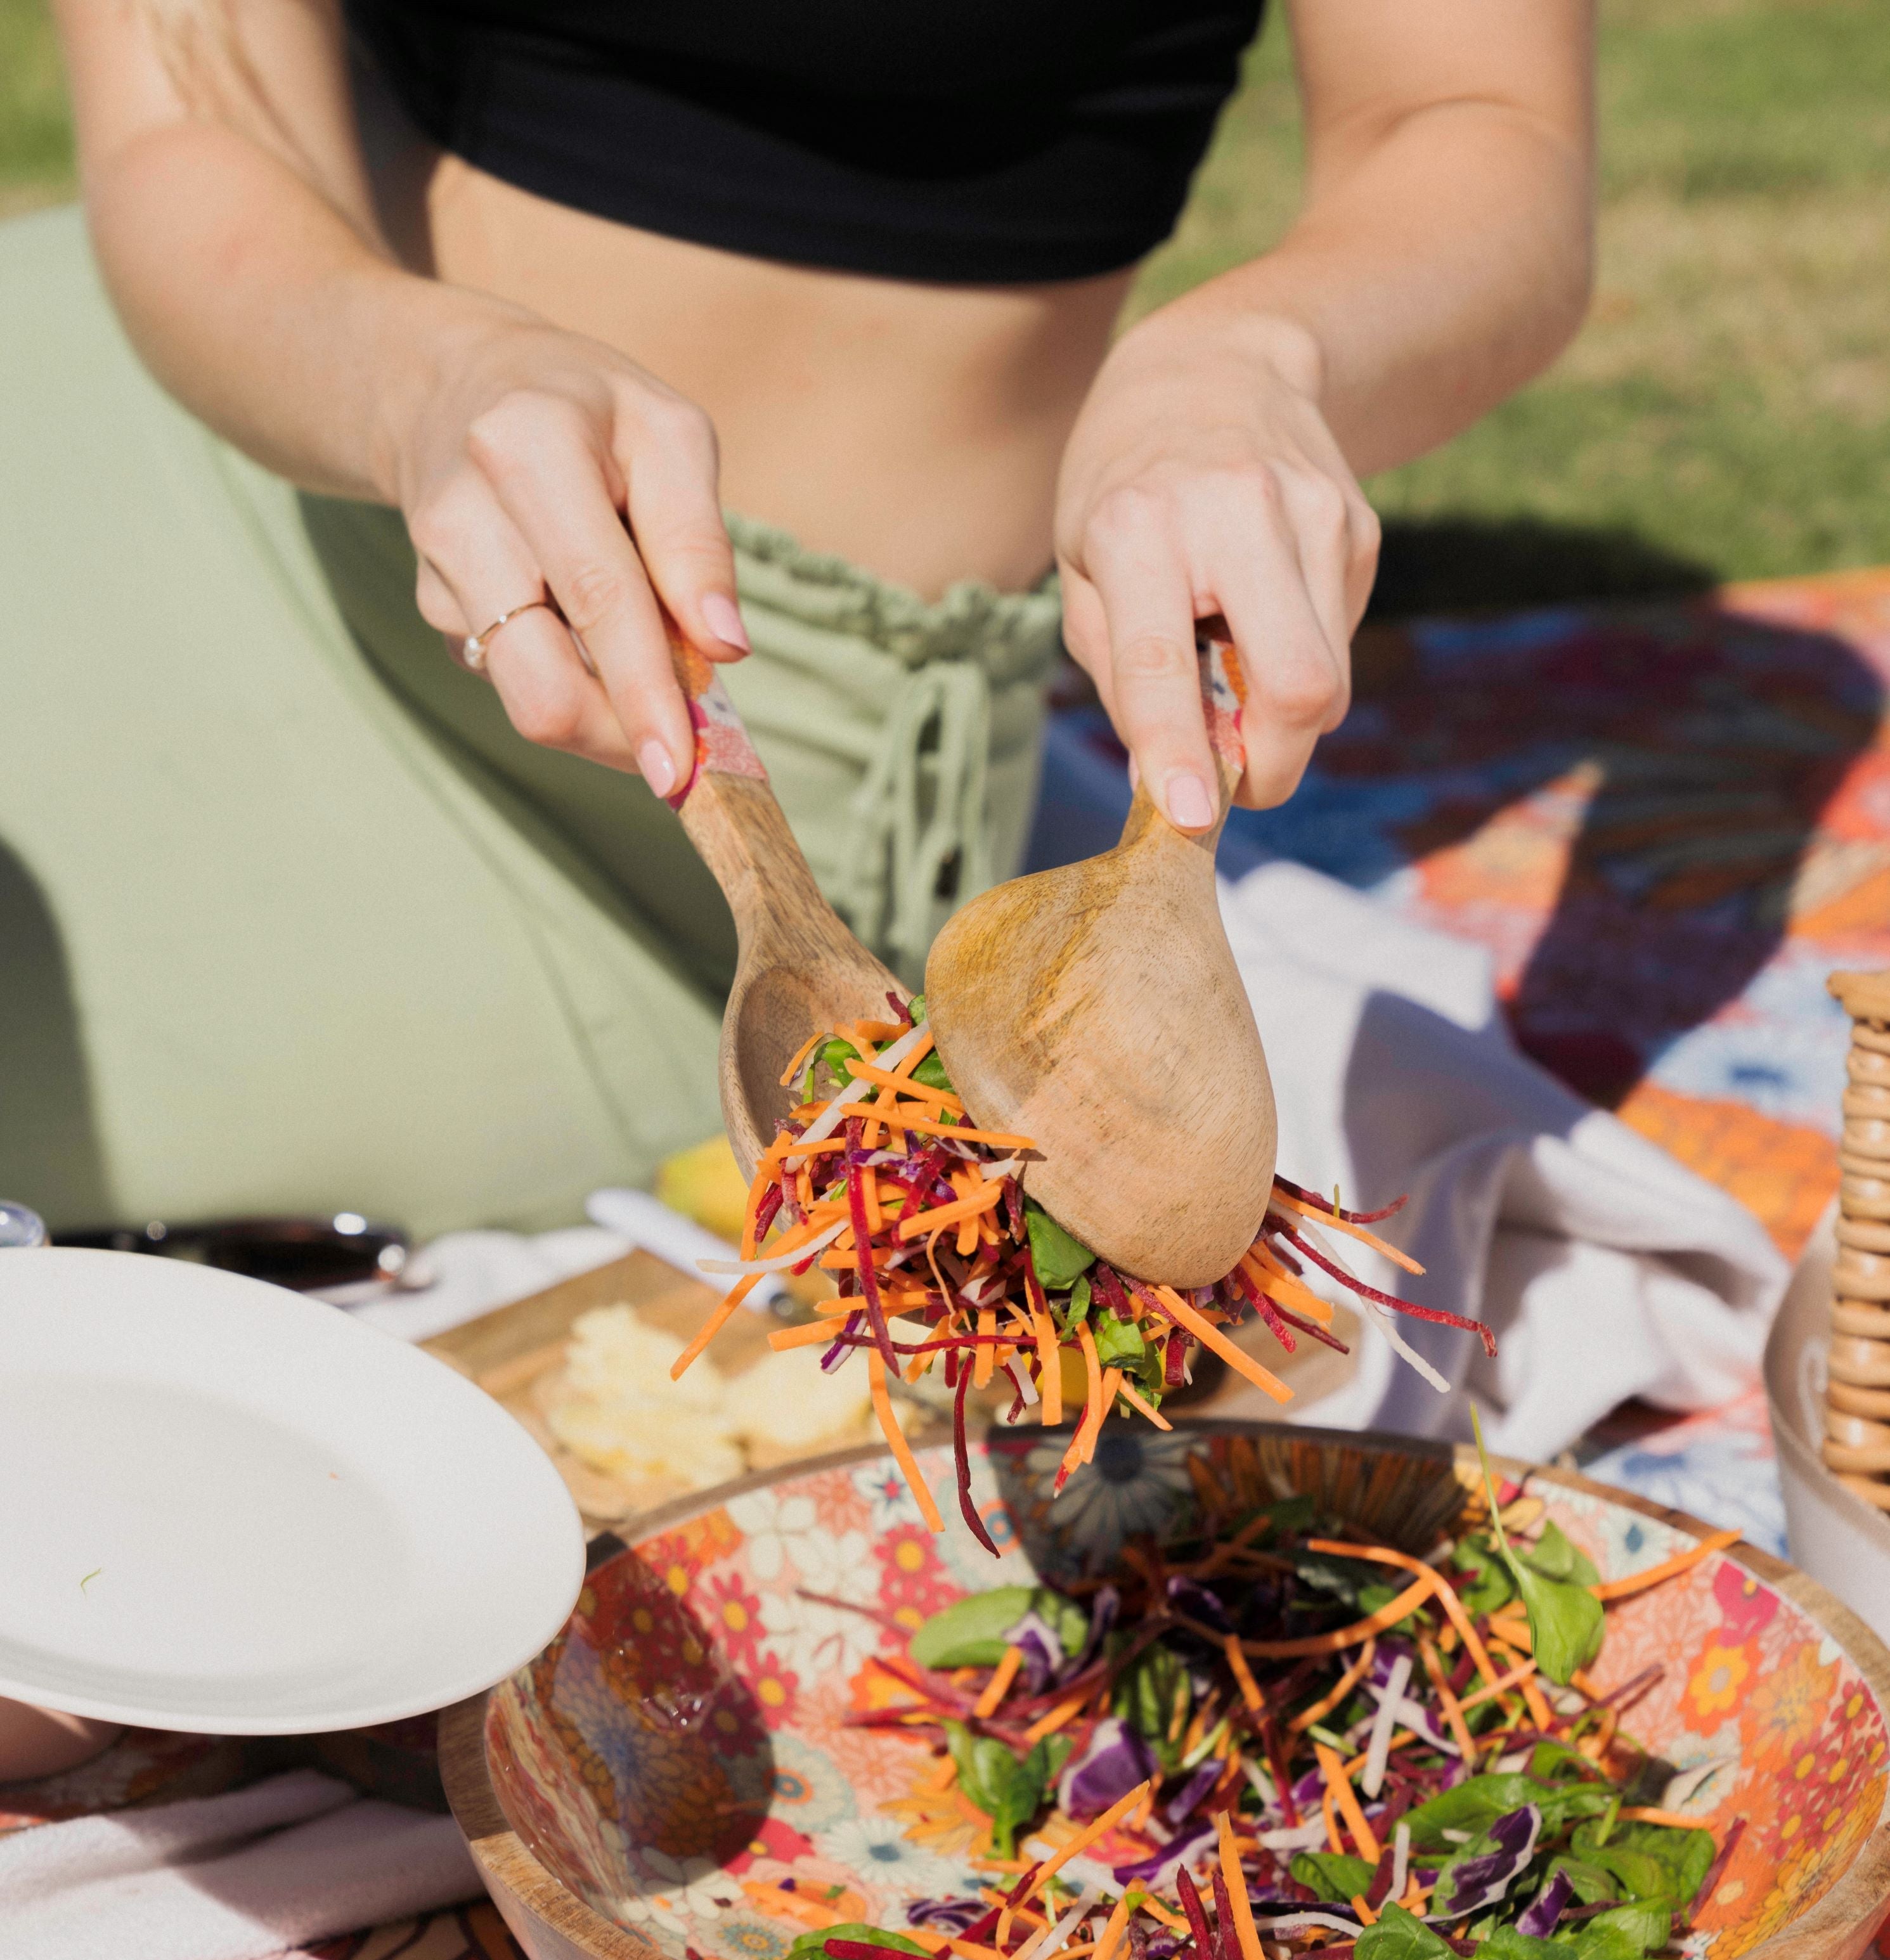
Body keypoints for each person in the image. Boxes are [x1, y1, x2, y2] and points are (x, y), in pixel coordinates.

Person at [3, 0, 1593, 1239]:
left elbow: (1474, 119)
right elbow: (189, 118)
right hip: (300, 425)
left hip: (692, 778)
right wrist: (421, 383)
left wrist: (1260, 359)